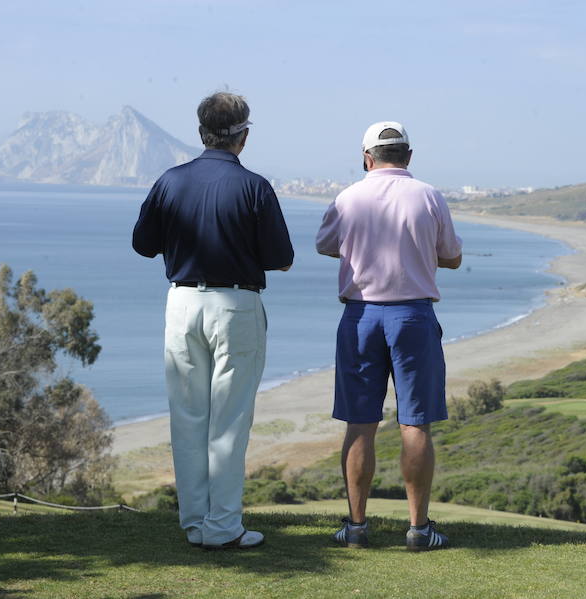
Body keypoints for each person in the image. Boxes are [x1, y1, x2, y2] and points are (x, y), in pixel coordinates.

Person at [132, 92, 293, 550]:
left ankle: (196, 523)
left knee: (188, 417)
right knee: (229, 419)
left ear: (202, 132)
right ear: (242, 136)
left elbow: (143, 245)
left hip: (182, 302)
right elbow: (281, 258)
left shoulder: (170, 181)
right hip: (236, 305)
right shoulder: (255, 187)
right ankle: (223, 526)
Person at [315, 121, 462, 551]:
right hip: (413, 316)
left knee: (360, 423)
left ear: (367, 158)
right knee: (416, 422)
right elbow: (451, 257)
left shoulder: (348, 197)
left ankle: (357, 526)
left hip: (360, 316)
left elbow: (325, 245)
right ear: (409, 156)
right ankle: (418, 529)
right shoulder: (429, 196)